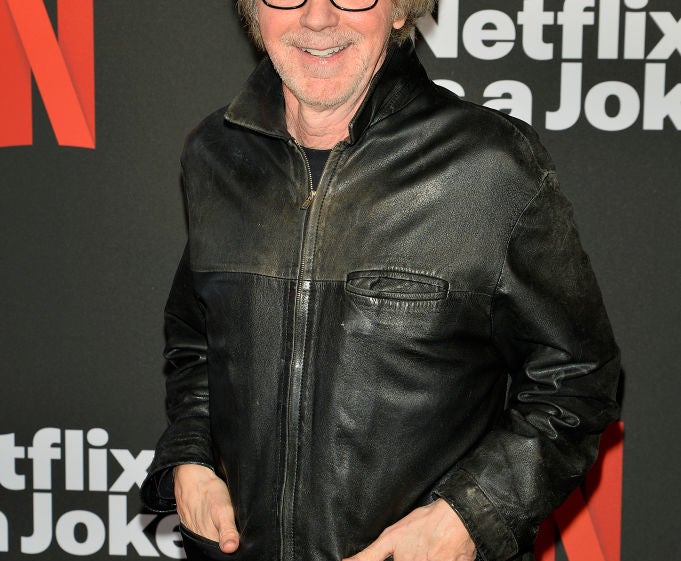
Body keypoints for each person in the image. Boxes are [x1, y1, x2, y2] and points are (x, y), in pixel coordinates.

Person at [141, 0, 621, 559]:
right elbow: (196, 340)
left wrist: (467, 517)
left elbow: (578, 379)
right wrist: (192, 457)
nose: (317, 17)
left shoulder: (488, 164)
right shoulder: (215, 154)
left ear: (400, 10)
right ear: (254, 12)